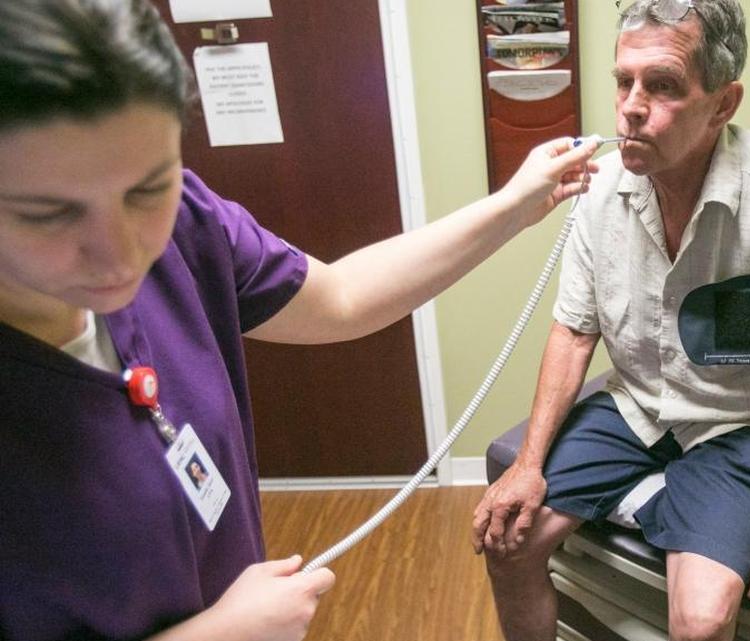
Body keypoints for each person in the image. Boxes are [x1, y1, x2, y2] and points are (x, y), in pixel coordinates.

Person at [0, 1, 601, 640]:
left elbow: (340, 297)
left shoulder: (187, 226)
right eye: (49, 214)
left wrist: (514, 205)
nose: (120, 255)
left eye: (148, 189)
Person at [471, 1, 750, 639]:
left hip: (738, 423)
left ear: (724, 104)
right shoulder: (601, 188)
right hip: (635, 407)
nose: (631, 107)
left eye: (664, 85)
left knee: (700, 623)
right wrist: (528, 463)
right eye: (624, 82)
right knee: (510, 544)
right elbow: (574, 331)